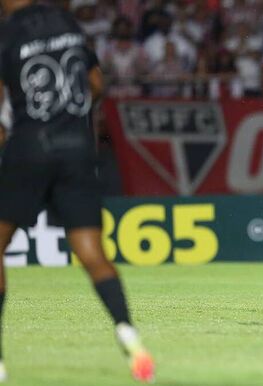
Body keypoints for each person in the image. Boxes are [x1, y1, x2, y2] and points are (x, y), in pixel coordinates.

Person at [0, 0, 153, 382]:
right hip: (78, 150)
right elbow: (96, 84)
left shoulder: (6, 34)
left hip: (29, 147)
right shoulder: (67, 23)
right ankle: (127, 332)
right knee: (91, 253)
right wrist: (70, 116)